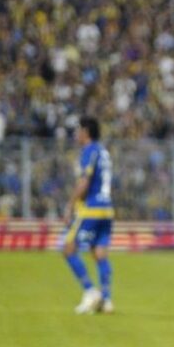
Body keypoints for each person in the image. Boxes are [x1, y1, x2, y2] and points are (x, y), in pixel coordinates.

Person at [60, 116, 115, 314]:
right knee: (100, 253)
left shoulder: (89, 151)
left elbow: (85, 182)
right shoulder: (104, 152)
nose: (76, 134)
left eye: (78, 130)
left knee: (67, 247)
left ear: (86, 132)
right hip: (107, 208)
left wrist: (69, 205)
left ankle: (90, 291)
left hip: (91, 208)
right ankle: (107, 300)